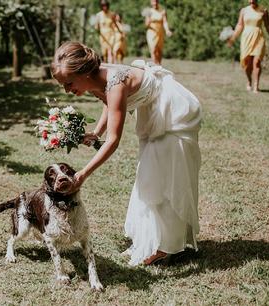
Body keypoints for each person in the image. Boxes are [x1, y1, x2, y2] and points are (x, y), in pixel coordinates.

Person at [51, 41, 202, 266]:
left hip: (172, 113)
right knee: (150, 177)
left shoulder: (115, 83)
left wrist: (82, 175)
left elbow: (113, 141)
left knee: (166, 177)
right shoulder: (95, 78)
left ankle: (167, 246)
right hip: (154, 113)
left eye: (69, 83)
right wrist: (96, 132)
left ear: (83, 72)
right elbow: (107, 104)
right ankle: (151, 240)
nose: (67, 90)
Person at [227, 0, 269, 93]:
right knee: (247, 63)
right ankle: (249, 81)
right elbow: (240, 25)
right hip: (246, 38)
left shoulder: (263, 10)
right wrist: (233, 38)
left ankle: (256, 86)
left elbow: (268, 26)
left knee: (257, 62)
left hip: (259, 37)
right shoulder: (244, 10)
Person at [145, 0, 172, 65]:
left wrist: (167, 30)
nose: (155, 3)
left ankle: (159, 64)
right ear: (151, 2)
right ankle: (155, 66)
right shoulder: (149, 11)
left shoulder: (162, 11)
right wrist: (149, 21)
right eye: (153, 1)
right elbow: (146, 24)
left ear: (158, 2)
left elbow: (165, 22)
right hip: (151, 32)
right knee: (153, 49)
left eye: (156, 1)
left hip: (160, 32)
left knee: (159, 50)